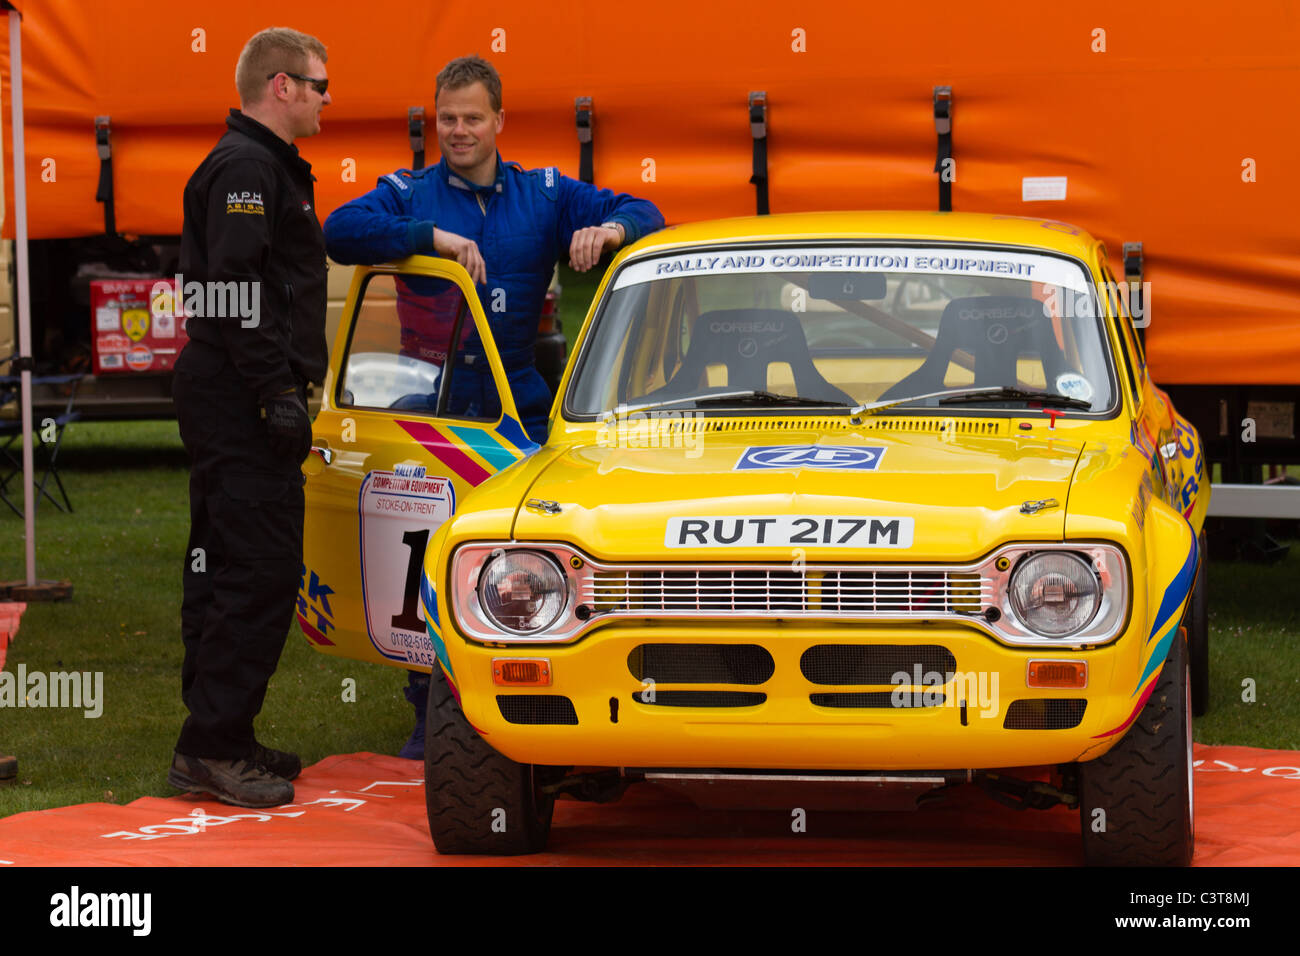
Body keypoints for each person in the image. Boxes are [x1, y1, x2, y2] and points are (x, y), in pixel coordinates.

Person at [323, 54, 664, 760]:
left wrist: (610, 234)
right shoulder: (408, 192)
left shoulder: (543, 192)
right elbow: (340, 229)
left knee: (536, 550)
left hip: (520, 405)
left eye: (472, 118)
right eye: (446, 119)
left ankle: (545, 689)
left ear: (499, 120)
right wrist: (430, 239)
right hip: (434, 407)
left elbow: (646, 210)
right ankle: (430, 712)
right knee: (422, 562)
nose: (458, 131)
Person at [167, 27, 332, 808]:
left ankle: (221, 731)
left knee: (227, 560)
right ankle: (210, 746)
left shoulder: (260, 166)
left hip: (230, 389)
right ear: (282, 86)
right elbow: (233, 293)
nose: (328, 99)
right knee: (259, 568)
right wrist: (276, 392)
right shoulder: (247, 168)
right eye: (320, 85)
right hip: (238, 393)